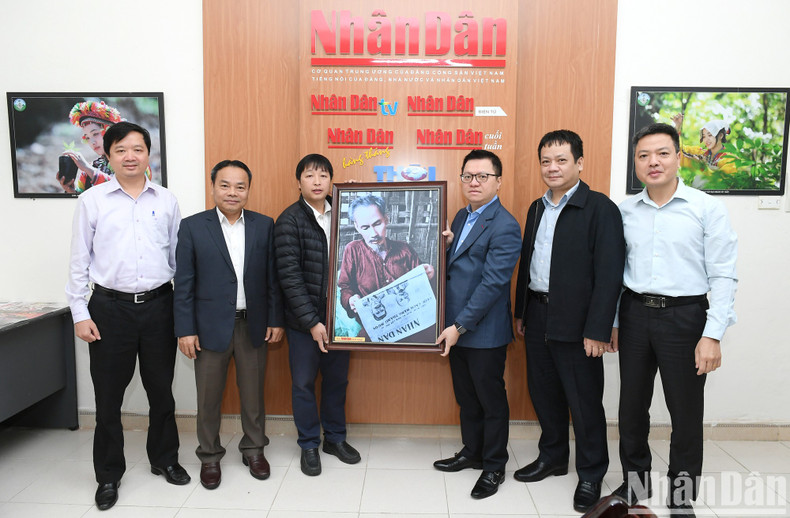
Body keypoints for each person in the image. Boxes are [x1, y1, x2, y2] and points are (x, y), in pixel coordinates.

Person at [611, 123, 737, 516]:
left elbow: (724, 274)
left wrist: (712, 334)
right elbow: (615, 270)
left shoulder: (706, 207)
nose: (653, 162)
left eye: (662, 153)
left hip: (685, 318)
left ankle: (681, 496)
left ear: (678, 156)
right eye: (643, 155)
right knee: (631, 408)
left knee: (685, 413)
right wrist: (613, 321)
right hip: (633, 314)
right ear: (634, 163)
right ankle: (636, 482)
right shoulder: (624, 210)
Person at [65, 121, 189, 511]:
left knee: (161, 392)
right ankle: (108, 475)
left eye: (137, 149)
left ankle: (165, 459)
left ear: (148, 154)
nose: (130, 156)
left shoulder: (166, 200)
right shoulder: (93, 201)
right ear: (109, 155)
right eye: (121, 150)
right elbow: (78, 263)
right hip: (109, 310)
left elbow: (176, 260)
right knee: (108, 398)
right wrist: (79, 313)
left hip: (158, 307)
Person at [512, 130, 625, 513]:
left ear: (579, 163)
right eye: (546, 161)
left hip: (579, 323)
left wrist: (598, 328)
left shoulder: (600, 208)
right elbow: (527, 265)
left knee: (584, 400)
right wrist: (521, 312)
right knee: (544, 392)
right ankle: (553, 457)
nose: (552, 167)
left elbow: (610, 274)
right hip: (539, 312)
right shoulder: (536, 207)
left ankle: (591, 472)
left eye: (561, 160)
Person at [173, 160, 284, 490]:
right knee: (208, 397)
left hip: (253, 326)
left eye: (240, 186)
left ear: (249, 190)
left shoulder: (264, 225)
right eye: (225, 185)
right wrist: (184, 329)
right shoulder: (193, 227)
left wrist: (276, 318)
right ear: (213, 188)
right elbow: (184, 283)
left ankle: (254, 449)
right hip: (207, 329)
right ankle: (209, 455)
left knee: (253, 395)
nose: (232, 192)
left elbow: (272, 279)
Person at [433, 149, 522, 499]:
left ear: (498, 181)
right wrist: (451, 245)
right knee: (466, 398)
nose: (474, 182)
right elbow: (463, 262)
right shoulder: (460, 216)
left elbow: (492, 285)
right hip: (454, 328)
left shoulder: (505, 224)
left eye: (482, 176)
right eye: (468, 176)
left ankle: (494, 464)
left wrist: (459, 327)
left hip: (481, 331)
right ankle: (471, 452)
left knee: (490, 400)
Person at [274, 153, 361, 476]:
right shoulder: (290, 220)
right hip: (303, 324)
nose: (317, 182)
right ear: (299, 182)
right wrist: (312, 322)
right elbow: (289, 278)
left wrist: (352, 197)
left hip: (341, 320)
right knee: (303, 383)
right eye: (310, 176)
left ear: (331, 181)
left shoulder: (344, 212)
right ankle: (309, 443)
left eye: (323, 176)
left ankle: (335, 438)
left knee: (337, 381)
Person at [337, 193, 435, 340]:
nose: (373, 233)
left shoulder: (405, 249)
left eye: (377, 224)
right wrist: (350, 299)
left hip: (411, 320)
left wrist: (431, 275)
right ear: (357, 227)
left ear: (386, 219)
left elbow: (424, 287)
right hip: (375, 324)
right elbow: (345, 287)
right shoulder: (353, 250)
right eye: (365, 227)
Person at [57, 100, 152, 193]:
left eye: (95, 134)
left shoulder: (135, 162)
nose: (92, 142)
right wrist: (71, 190)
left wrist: (87, 168)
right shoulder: (92, 168)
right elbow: (84, 199)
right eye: (88, 138)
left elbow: (128, 190)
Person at [671, 113, 736, 188]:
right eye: (704, 136)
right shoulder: (701, 153)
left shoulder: (730, 158)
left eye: (710, 135)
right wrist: (677, 128)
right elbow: (678, 149)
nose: (706, 140)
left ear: (721, 136)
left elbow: (725, 181)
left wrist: (704, 167)